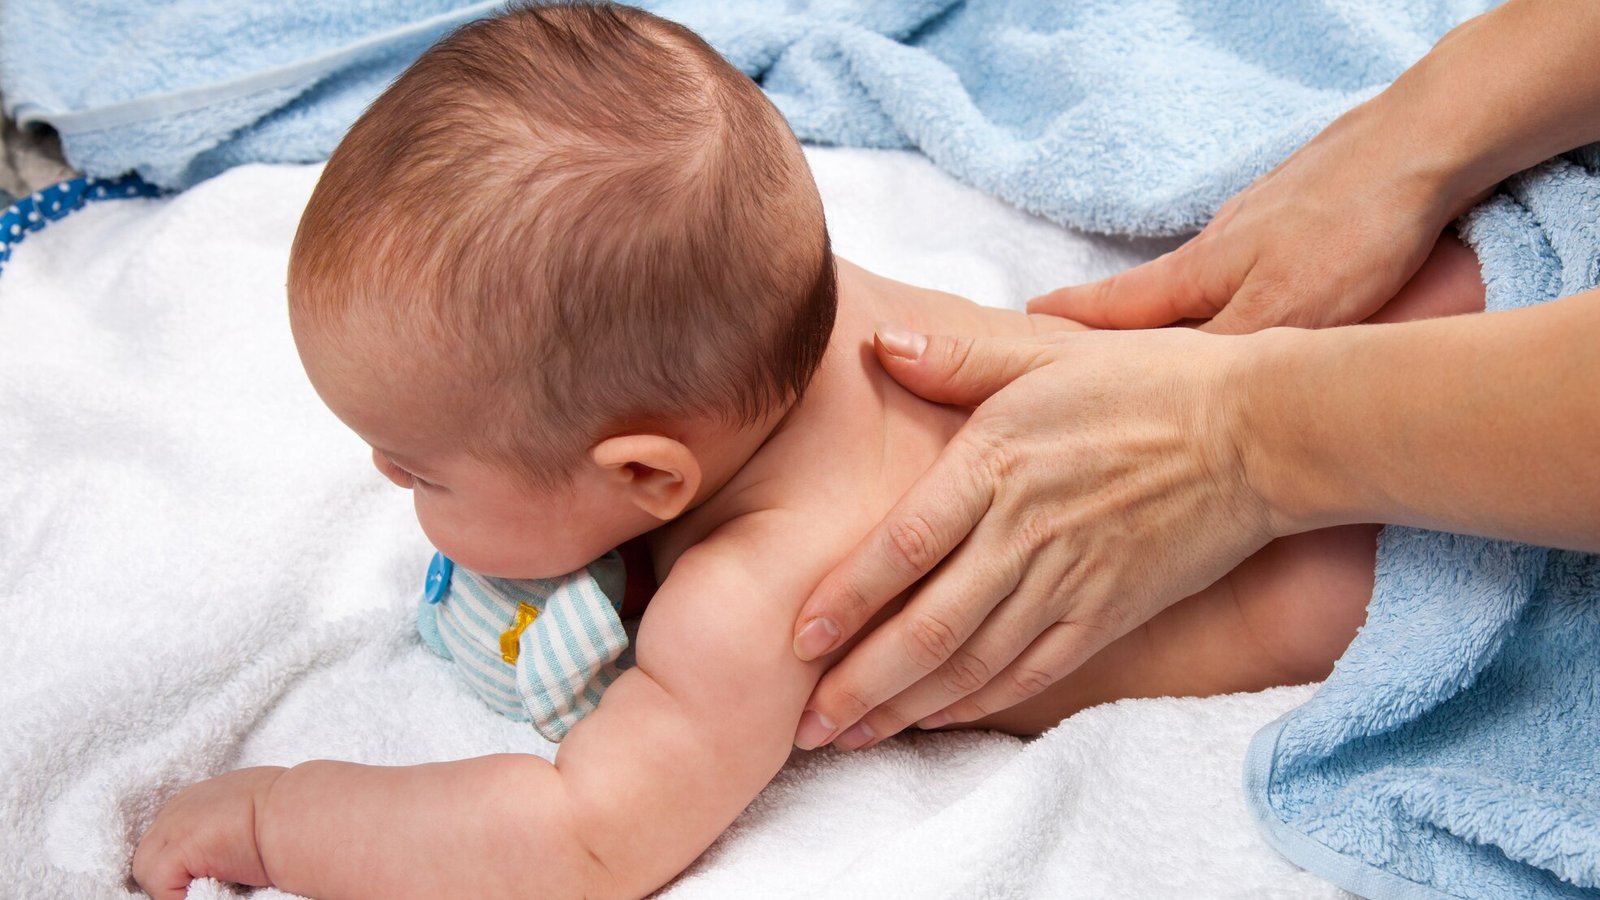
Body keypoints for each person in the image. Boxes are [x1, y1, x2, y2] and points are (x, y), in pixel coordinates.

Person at [129, 4, 1489, 898]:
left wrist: (277, 818)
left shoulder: (743, 603)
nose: (387, 482)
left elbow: (585, 843)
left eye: (419, 468)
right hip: (1385, 368)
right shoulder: (803, 297)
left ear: (651, 476)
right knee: (1462, 311)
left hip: (1412, 563)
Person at [790, 0, 1600, 751]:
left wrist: (1236, 436)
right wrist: (1415, 137)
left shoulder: (750, 581)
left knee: (1335, 572)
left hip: (1497, 497)